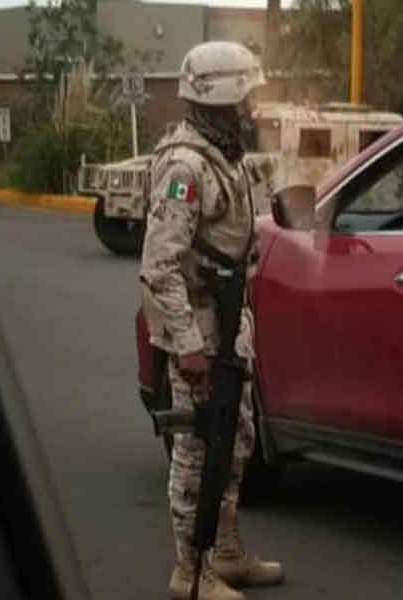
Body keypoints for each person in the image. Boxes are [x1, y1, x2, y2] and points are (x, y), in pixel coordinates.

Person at [140, 41, 284, 600]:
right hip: (199, 325)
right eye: (246, 96)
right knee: (198, 448)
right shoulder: (186, 166)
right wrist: (186, 344)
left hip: (228, 321)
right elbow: (159, 265)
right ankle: (190, 571)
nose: (253, 108)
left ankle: (224, 553)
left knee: (236, 439)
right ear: (222, 97)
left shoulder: (226, 156)